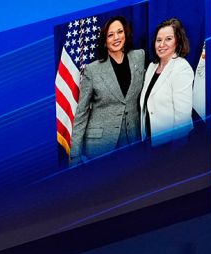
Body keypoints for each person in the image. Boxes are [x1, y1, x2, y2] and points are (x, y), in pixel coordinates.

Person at [69, 15, 145, 165]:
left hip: (132, 139)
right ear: (104, 41)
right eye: (110, 35)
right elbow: (81, 113)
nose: (116, 37)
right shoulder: (92, 70)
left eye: (120, 32)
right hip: (101, 145)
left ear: (126, 34)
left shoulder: (139, 56)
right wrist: (75, 156)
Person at [140, 18, 195, 146]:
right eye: (159, 40)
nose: (162, 44)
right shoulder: (152, 67)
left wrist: (175, 153)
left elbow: (183, 118)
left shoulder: (181, 68)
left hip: (170, 145)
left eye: (168, 39)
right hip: (149, 142)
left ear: (178, 42)